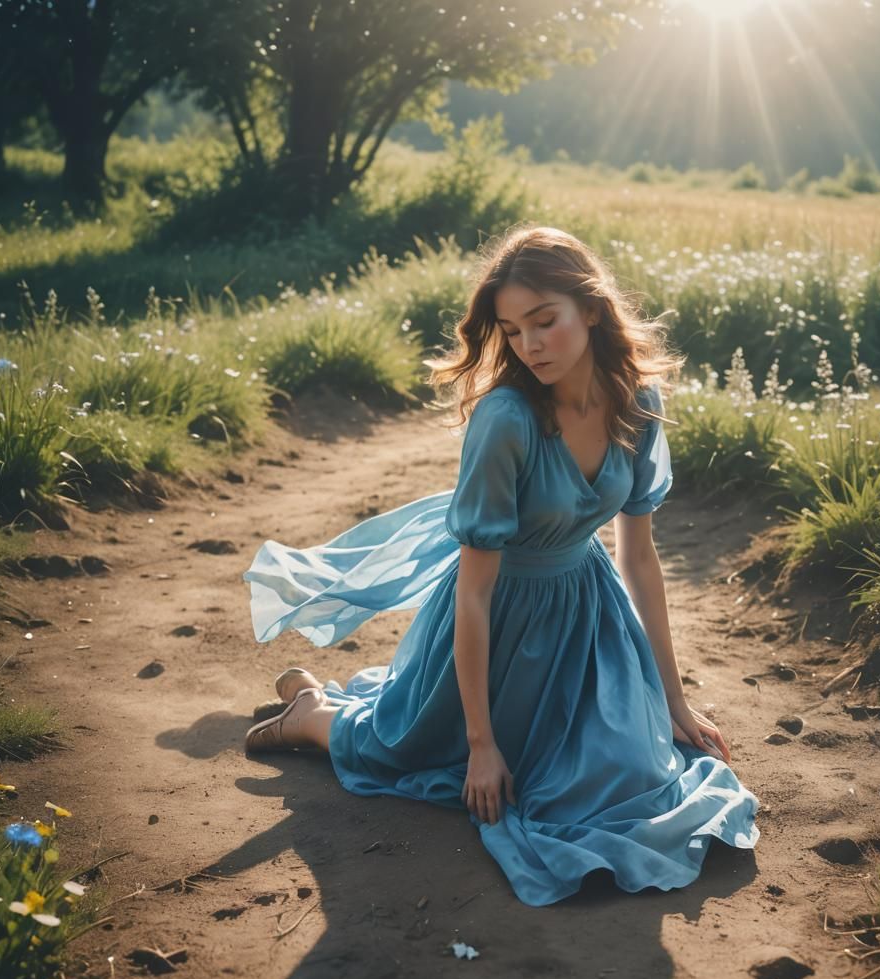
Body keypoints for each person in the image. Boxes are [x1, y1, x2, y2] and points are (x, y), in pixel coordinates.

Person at [241, 224, 761, 907]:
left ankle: (341, 705)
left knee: (630, 777)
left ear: (594, 308)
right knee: (403, 751)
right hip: (500, 624)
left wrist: (672, 698)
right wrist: (483, 743)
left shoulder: (639, 401)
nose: (530, 345)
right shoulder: (506, 420)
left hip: (588, 622)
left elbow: (638, 558)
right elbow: (475, 594)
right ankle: (314, 714)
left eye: (544, 322)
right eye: (513, 331)